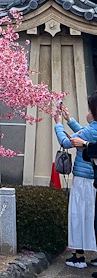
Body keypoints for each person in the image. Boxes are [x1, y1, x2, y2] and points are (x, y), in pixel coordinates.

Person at [54, 99, 97, 268]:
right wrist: (69, 120)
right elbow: (83, 133)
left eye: (89, 110)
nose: (87, 113)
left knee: (79, 215)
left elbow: (67, 142)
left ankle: (79, 256)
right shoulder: (92, 130)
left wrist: (58, 124)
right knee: (93, 216)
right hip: (94, 180)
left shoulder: (91, 129)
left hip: (83, 181)